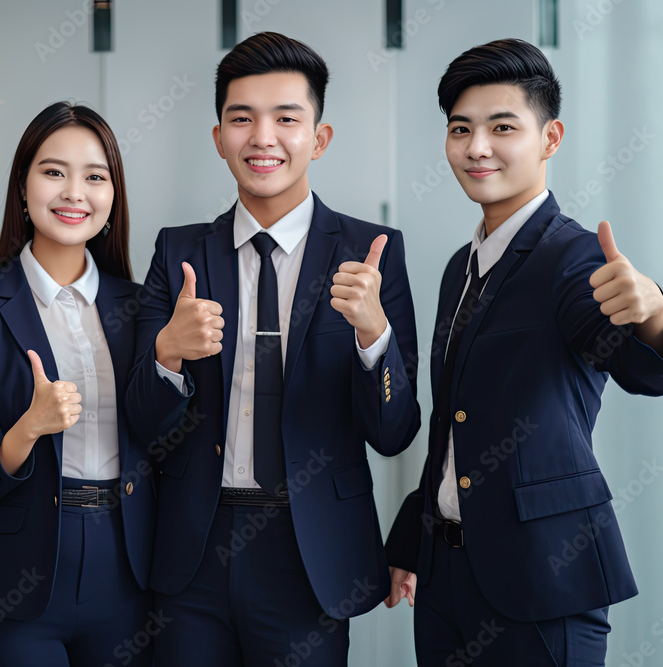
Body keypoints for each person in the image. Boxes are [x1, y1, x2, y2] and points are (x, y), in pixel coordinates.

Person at [383, 38, 663, 665]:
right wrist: (415, 544)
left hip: (543, 579)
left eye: (502, 127)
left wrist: (652, 309)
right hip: (445, 580)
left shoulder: (574, 260)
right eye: (460, 129)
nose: (477, 147)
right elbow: (451, 423)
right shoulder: (457, 269)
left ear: (550, 139)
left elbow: (644, 371)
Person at [125, 31, 421, 666]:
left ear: (318, 137)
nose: (263, 137)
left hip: (309, 549)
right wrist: (167, 355)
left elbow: (394, 431)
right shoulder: (178, 252)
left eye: (287, 118)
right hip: (193, 549)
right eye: (242, 118)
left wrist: (375, 335)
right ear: (219, 138)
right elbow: (145, 426)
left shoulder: (371, 253)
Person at [0, 101, 155, 666]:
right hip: (16, 576)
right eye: (54, 171)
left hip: (128, 571)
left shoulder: (140, 311)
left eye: (95, 176)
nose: (73, 192)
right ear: (23, 185)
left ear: (112, 198)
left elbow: (167, 441)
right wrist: (29, 428)